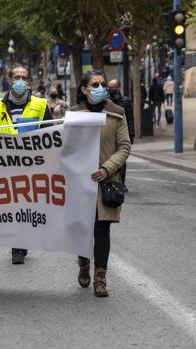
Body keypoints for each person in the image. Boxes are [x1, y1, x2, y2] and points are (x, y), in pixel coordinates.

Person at [71, 71, 131, 297]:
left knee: (102, 228)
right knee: (83, 228)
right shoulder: (74, 114)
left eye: (103, 84)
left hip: (106, 181)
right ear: (84, 89)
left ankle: (100, 277)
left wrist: (107, 168)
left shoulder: (117, 113)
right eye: (94, 84)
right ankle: (84, 263)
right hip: (80, 181)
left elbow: (124, 146)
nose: (100, 87)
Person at [0, 65, 53, 265]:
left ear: (29, 82)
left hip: (32, 165)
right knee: (14, 207)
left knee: (27, 206)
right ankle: (17, 248)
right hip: (7, 165)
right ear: (9, 80)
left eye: (23, 77)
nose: (20, 80)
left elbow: (51, 135)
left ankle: (23, 241)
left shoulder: (41, 105)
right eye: (16, 77)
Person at [108, 79, 135, 189]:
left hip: (122, 133)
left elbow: (130, 119)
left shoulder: (126, 101)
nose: (110, 89)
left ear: (118, 87)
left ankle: (121, 183)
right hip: (109, 134)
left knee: (121, 160)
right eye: (109, 87)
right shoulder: (106, 101)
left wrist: (132, 134)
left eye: (113, 87)